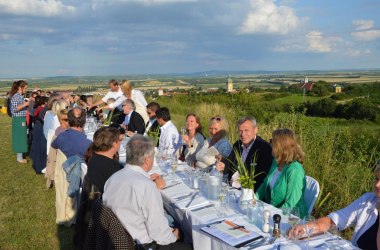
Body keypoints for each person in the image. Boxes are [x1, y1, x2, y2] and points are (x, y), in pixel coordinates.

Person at [103, 135, 192, 250]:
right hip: (140, 245)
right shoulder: (146, 186)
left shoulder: (113, 178)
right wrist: (175, 236)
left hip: (115, 239)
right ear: (147, 160)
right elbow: (160, 234)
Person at [288, 161, 380, 249]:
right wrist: (307, 229)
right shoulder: (368, 200)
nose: (377, 184)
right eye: (376, 178)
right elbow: (335, 219)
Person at [255, 128, 307, 217]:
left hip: (292, 218)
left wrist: (273, 216)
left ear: (281, 146)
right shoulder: (276, 162)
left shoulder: (295, 170)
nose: (270, 144)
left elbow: (291, 204)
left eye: (272, 141)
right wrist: (253, 199)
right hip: (273, 210)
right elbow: (265, 184)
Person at [217, 116, 273, 190]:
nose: (243, 134)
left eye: (246, 130)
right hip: (231, 188)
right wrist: (222, 164)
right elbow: (228, 164)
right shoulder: (238, 144)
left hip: (249, 192)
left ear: (255, 130)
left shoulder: (264, 148)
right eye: (240, 131)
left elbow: (262, 177)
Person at [9, 80, 30, 163]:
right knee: (20, 138)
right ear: (19, 88)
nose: (26, 90)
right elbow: (14, 109)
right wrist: (26, 104)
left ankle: (20, 156)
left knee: (21, 137)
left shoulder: (20, 96)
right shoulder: (16, 96)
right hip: (18, 119)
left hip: (21, 118)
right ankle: (20, 158)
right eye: (25, 88)